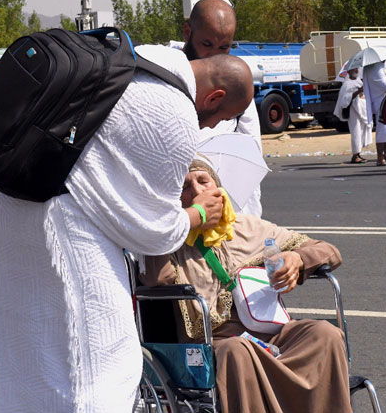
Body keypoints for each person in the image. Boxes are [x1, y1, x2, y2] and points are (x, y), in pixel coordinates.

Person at [0, 45, 254, 412]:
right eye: (219, 118)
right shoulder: (173, 113)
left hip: (12, 203)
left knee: (27, 352)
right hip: (65, 230)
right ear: (215, 97)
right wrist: (196, 215)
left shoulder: (138, 58)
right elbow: (154, 231)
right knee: (97, 367)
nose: (210, 126)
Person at [142, 157, 351, 413]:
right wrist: (183, 222)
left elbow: (330, 252)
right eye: (185, 187)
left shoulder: (249, 226)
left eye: (203, 181)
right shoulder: (171, 240)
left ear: (218, 188)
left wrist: (297, 259)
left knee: (323, 334)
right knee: (236, 351)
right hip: (215, 340)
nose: (197, 191)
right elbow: (156, 279)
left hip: (269, 330)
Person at [170, 0, 263, 216]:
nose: (214, 56)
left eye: (224, 47)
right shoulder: (165, 79)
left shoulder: (237, 87)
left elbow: (248, 163)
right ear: (187, 33)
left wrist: (247, 223)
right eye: (207, 45)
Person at [334, 67, 373, 163]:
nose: (356, 71)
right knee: (355, 132)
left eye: (357, 69)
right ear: (348, 71)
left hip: (361, 110)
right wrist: (358, 92)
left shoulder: (359, 81)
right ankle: (355, 155)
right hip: (352, 111)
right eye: (354, 69)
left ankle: (358, 154)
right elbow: (345, 100)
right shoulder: (347, 84)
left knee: (361, 131)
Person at [363, 60, 386, 166]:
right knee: (383, 131)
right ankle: (380, 157)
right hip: (381, 104)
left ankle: (385, 155)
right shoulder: (376, 69)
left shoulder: (372, 68)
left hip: (381, 102)